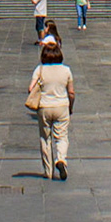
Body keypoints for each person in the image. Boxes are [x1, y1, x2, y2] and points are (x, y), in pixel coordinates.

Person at [28, 40, 76, 180]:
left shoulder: (40, 69)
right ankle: (61, 159)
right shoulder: (66, 70)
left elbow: (31, 89)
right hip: (62, 106)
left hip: (44, 106)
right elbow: (71, 92)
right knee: (62, 137)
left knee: (45, 138)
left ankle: (48, 171)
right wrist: (70, 106)